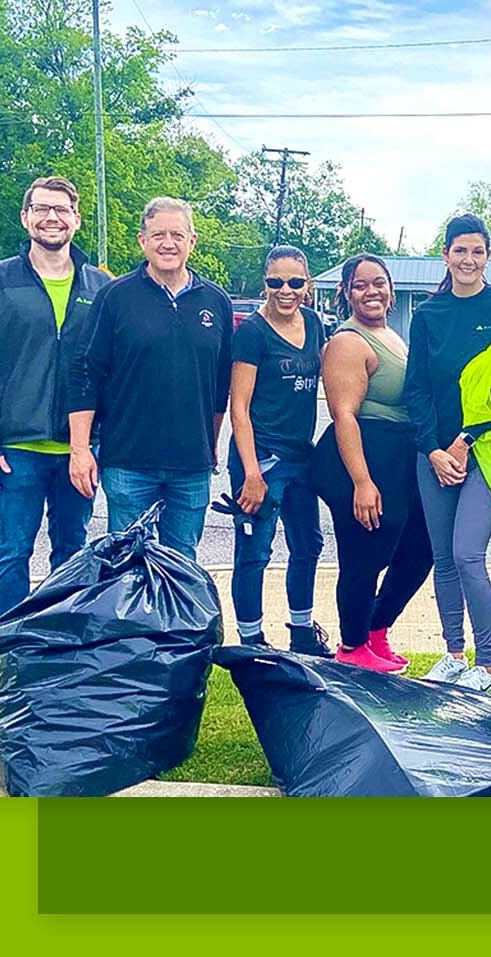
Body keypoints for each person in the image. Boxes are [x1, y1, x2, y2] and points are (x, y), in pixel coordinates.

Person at [0, 176, 112, 619]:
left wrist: (103, 440)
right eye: (41, 209)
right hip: (16, 449)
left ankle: (60, 647)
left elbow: (112, 370)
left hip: (79, 451)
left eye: (61, 210)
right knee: (13, 552)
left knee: (72, 552)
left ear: (76, 220)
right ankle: (11, 645)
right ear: (26, 218)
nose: (51, 218)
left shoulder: (99, 286)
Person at [404, 215, 491, 695]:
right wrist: (433, 449)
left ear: (488, 256)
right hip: (435, 455)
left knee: (468, 554)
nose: (468, 260)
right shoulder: (427, 315)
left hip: (484, 450)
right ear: (446, 255)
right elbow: (416, 388)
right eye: (459, 251)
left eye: (477, 252)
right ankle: (453, 654)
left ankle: (485, 665)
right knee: (443, 558)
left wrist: (464, 440)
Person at [68, 197, 232, 559]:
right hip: (129, 462)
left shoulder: (216, 302)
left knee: (181, 565)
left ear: (193, 241)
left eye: (177, 234)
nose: (168, 243)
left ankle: (175, 620)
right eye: (158, 234)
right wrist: (80, 449)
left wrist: (211, 444)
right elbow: (85, 373)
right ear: (142, 240)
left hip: (191, 465)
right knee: (128, 565)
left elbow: (221, 387)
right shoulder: (115, 297)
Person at [310, 254, 434, 672]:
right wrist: (362, 482)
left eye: (378, 283)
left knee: (421, 548)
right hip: (363, 456)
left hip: (400, 458)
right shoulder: (348, 341)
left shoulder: (392, 337)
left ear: (391, 290)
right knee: (364, 557)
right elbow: (343, 414)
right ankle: (352, 646)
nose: (371, 291)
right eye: (360, 285)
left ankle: (376, 630)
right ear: (346, 293)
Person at [225, 245, 332, 656]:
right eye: (275, 282)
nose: (285, 291)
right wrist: (252, 474)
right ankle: (252, 640)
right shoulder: (252, 332)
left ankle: (302, 632)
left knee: (308, 544)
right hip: (262, 457)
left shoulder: (314, 322)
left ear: (307, 284)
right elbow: (240, 408)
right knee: (255, 551)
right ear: (264, 282)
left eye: (294, 282)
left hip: (301, 455)